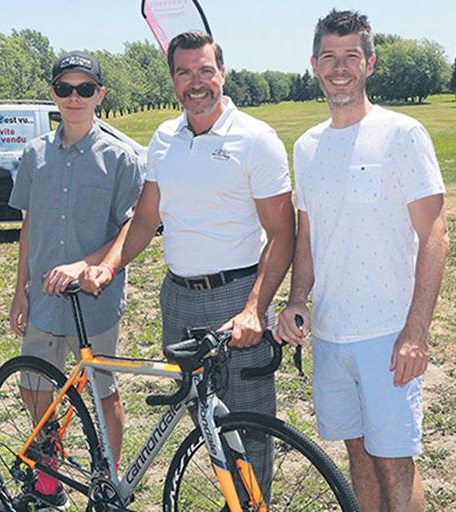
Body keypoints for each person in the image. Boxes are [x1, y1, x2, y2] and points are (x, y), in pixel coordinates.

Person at [80, 32, 295, 498]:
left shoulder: (256, 139)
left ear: (222, 73)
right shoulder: (163, 138)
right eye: (184, 73)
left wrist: (256, 309)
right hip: (178, 299)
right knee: (205, 422)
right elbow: (146, 218)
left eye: (204, 71)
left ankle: (253, 506)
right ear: (173, 79)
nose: (195, 83)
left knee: (250, 428)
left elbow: (283, 234)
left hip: (238, 296)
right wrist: (110, 265)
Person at [275, 10, 449, 512]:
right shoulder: (307, 147)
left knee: (394, 459)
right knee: (356, 450)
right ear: (314, 65)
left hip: (388, 334)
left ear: (370, 62)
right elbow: (308, 235)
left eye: (351, 55)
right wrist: (298, 300)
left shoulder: (402, 134)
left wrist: (416, 330)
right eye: (329, 56)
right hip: (331, 334)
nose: (340, 66)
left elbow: (435, 234)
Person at [2, 51, 143, 511]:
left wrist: (87, 266)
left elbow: (130, 229)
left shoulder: (121, 157)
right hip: (42, 299)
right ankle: (49, 480)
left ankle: (107, 484)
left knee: (103, 394)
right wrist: (19, 290)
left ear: (100, 94)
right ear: (53, 95)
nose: (75, 97)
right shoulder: (34, 155)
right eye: (65, 89)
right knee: (35, 387)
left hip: (94, 302)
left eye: (85, 88)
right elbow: (29, 225)